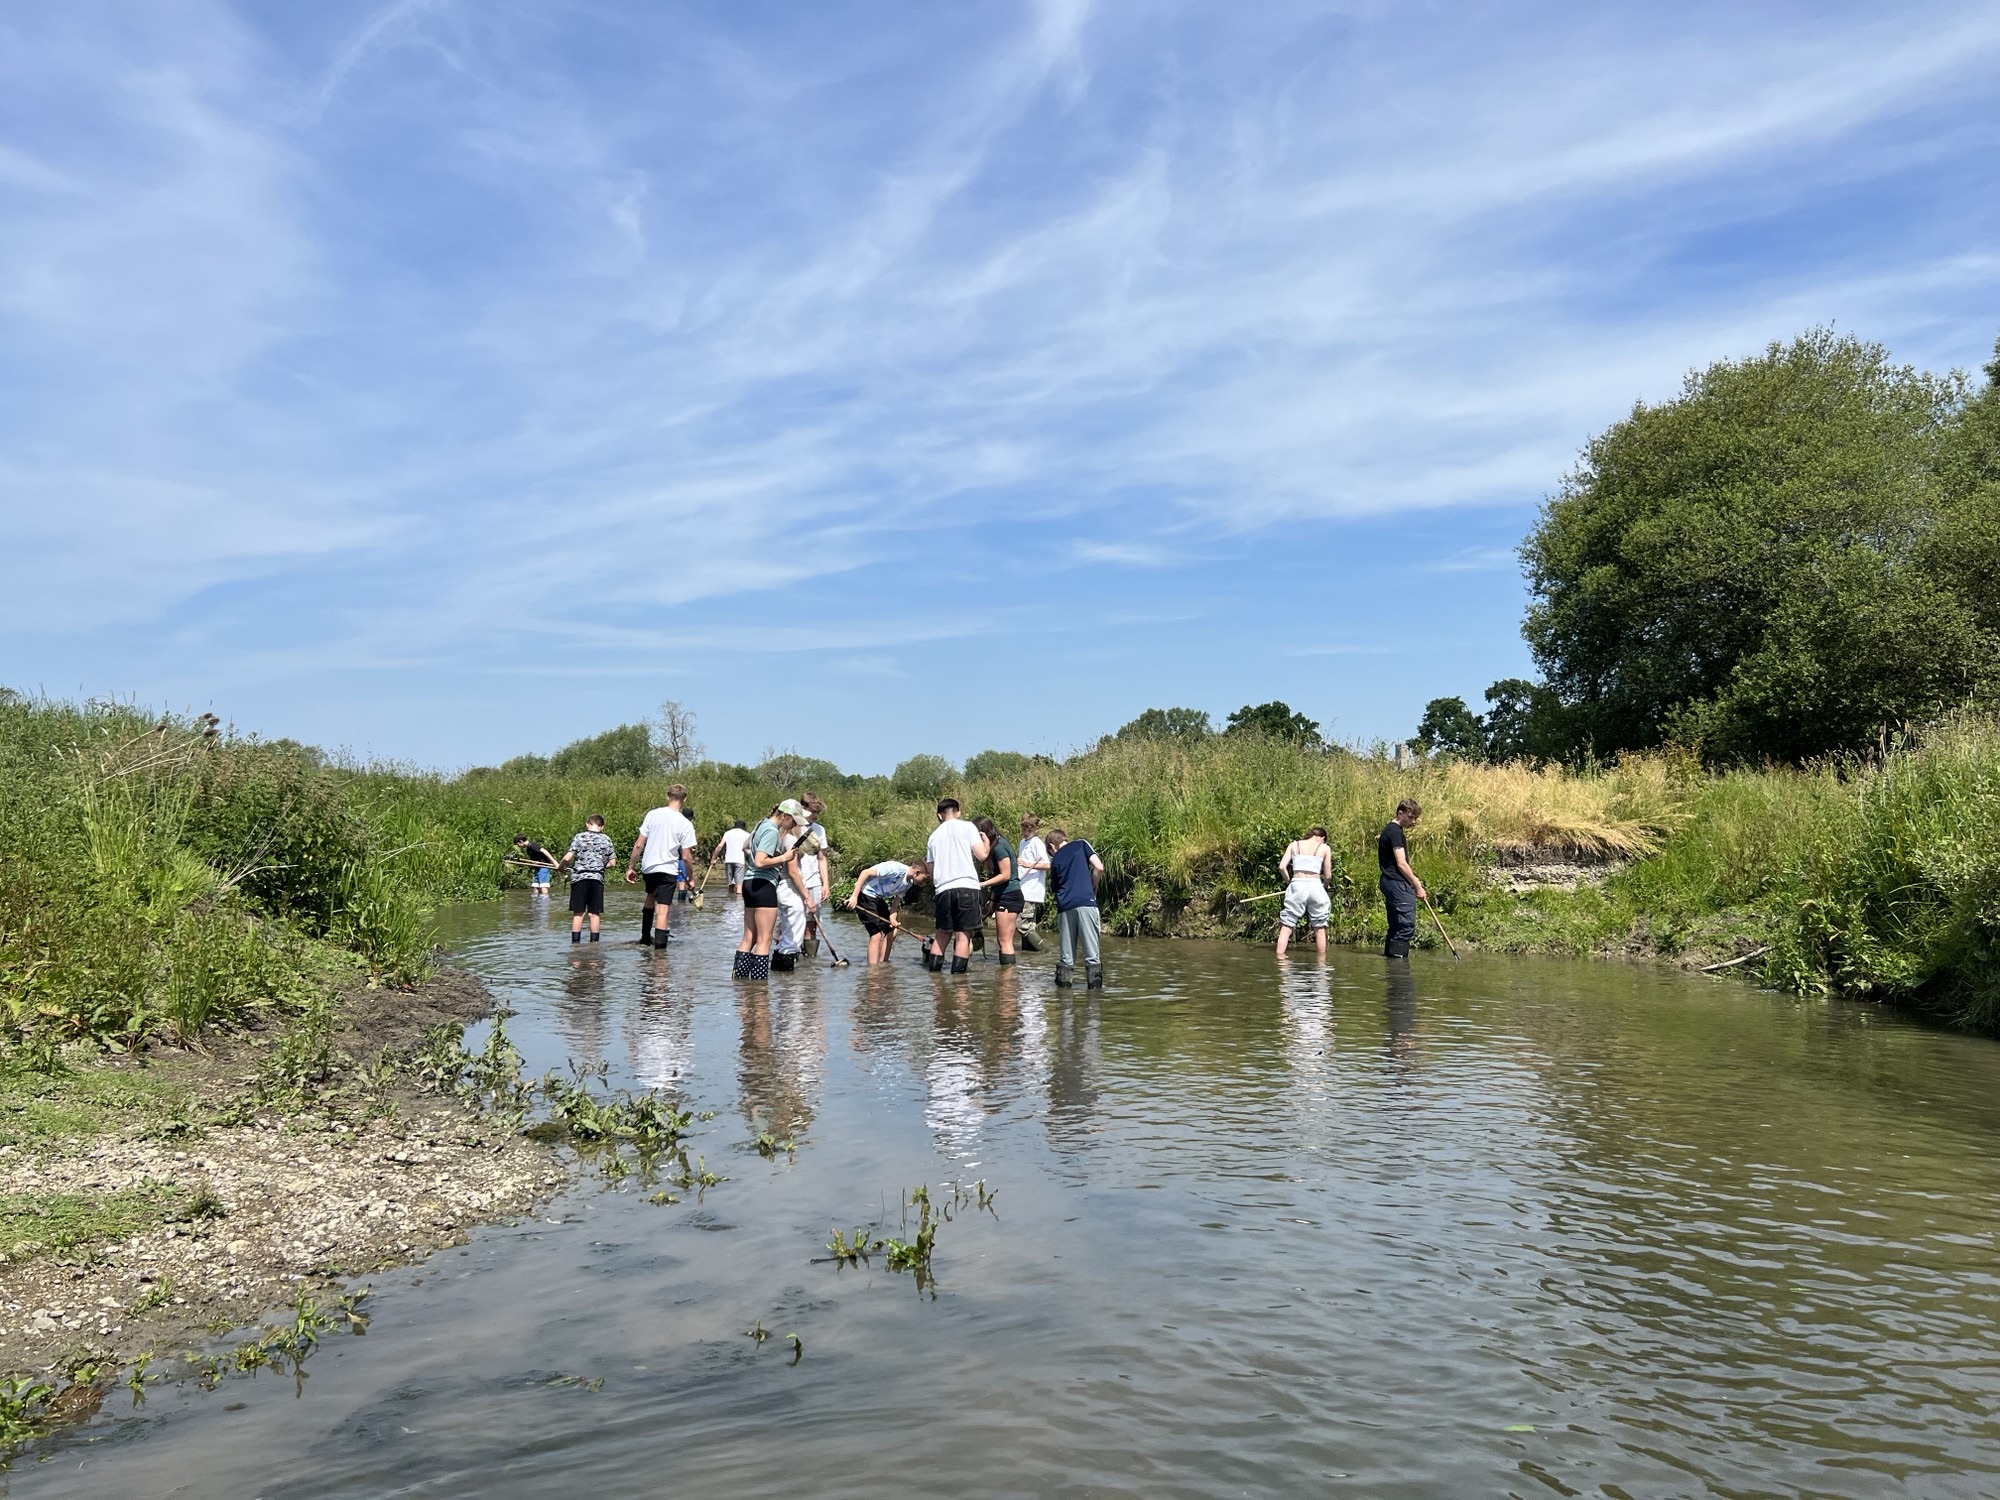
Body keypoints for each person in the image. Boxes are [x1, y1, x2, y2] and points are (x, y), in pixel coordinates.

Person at [734, 803, 806, 980]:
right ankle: (759, 990)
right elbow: (760, 861)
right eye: (794, 821)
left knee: (748, 938)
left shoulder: (760, 825)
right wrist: (784, 857)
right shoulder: (773, 831)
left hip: (749, 883)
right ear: (784, 816)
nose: (794, 826)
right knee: (764, 940)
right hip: (764, 885)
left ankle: (740, 985)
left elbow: (747, 847)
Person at [924, 798, 990, 974]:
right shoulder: (968, 827)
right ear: (958, 812)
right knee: (962, 936)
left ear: (939, 815)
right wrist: (987, 843)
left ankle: (935, 981)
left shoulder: (933, 837)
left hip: (943, 889)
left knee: (941, 936)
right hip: (966, 886)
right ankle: (959, 984)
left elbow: (930, 871)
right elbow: (982, 855)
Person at [626, 785, 697, 949]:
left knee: (651, 896)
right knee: (663, 909)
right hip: (668, 868)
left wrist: (631, 866)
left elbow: (639, 844)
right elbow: (686, 856)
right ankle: (660, 951)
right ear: (684, 799)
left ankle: (644, 938)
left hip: (649, 866)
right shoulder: (685, 824)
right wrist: (691, 878)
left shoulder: (653, 814)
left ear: (667, 796)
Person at [1046, 827, 1105, 989]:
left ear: (1052, 846)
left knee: (1066, 959)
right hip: (1086, 902)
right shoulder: (1081, 844)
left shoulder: (1056, 859)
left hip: (1064, 907)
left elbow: (1055, 887)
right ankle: (1094, 1002)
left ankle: (1064, 1002)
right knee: (1092, 957)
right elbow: (1099, 867)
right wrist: (1093, 886)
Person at [845, 858, 931, 964]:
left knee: (892, 930)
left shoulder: (908, 884)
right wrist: (854, 896)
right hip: (865, 894)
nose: (923, 883)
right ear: (917, 873)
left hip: (877, 898)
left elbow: (895, 905)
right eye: (924, 880)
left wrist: (893, 920)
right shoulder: (895, 869)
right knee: (876, 934)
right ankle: (873, 971)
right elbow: (865, 872)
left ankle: (883, 964)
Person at [770, 798, 819, 971]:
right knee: (792, 939)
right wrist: (807, 897)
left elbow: (746, 847)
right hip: (790, 889)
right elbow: (793, 872)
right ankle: (789, 988)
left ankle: (780, 982)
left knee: (786, 935)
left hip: (780, 887)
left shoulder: (776, 835)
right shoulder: (790, 840)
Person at [1275, 825, 1334, 959]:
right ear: (1322, 838)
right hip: (1315, 886)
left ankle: (1280, 959)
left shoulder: (1294, 845)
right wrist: (1324, 887)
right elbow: (1328, 875)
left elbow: (1282, 867)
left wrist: (1290, 882)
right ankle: (1321, 962)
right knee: (1319, 927)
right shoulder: (1325, 848)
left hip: (1297, 885)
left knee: (1287, 925)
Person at [1378, 798, 1427, 959]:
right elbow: (1401, 863)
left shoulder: (1389, 831)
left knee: (1395, 925)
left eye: (1415, 818)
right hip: (1397, 883)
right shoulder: (1395, 832)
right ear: (1400, 813)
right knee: (1405, 926)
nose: (1413, 822)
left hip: (1389, 881)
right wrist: (1416, 884)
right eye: (1411, 817)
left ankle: (1391, 962)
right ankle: (1398, 969)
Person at [559, 815, 616, 943]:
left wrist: (561, 866)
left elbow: (568, 858)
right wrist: (600, 866)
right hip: (597, 879)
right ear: (602, 827)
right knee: (594, 914)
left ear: (587, 824)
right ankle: (594, 944)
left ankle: (575, 944)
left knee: (578, 913)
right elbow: (612, 863)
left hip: (579, 878)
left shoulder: (580, 837)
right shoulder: (606, 839)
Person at [974, 816, 1022, 965]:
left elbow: (1005, 875)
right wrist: (993, 899)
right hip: (1002, 895)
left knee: (1005, 941)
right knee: (1003, 940)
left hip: (1010, 896)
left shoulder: (999, 847)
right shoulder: (994, 846)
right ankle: (1005, 979)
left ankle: (1007, 980)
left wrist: (983, 884)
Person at [797, 793, 834, 957]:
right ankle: (789, 951)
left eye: (818, 813)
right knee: (794, 920)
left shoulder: (820, 830)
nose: (815, 816)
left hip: (814, 881)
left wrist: (825, 883)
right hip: (796, 880)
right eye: (813, 812)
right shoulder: (794, 827)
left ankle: (809, 961)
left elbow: (822, 858)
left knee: (812, 923)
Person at [1015, 815, 1049, 951]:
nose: (1025, 832)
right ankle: (1029, 959)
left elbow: (1046, 864)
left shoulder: (1036, 843)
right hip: (1022, 888)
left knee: (1022, 925)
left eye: (1029, 829)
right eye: (1023, 829)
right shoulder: (1023, 842)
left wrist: (1027, 863)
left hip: (1031, 891)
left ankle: (1045, 951)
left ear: (1035, 829)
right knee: (1027, 926)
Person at [714, 819, 751, 896]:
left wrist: (713, 858)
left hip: (728, 860)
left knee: (730, 885)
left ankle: (730, 904)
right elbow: (750, 849)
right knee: (739, 885)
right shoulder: (747, 834)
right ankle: (738, 905)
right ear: (744, 827)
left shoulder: (727, 833)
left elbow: (720, 846)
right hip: (739, 861)